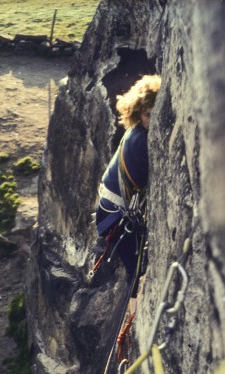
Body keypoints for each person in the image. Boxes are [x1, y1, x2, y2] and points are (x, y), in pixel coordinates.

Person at [91, 74, 161, 296]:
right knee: (135, 268)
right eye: (148, 114)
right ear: (139, 113)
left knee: (134, 259)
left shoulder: (135, 132)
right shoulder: (142, 141)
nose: (153, 119)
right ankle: (131, 314)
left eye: (154, 113)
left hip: (110, 206)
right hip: (115, 211)